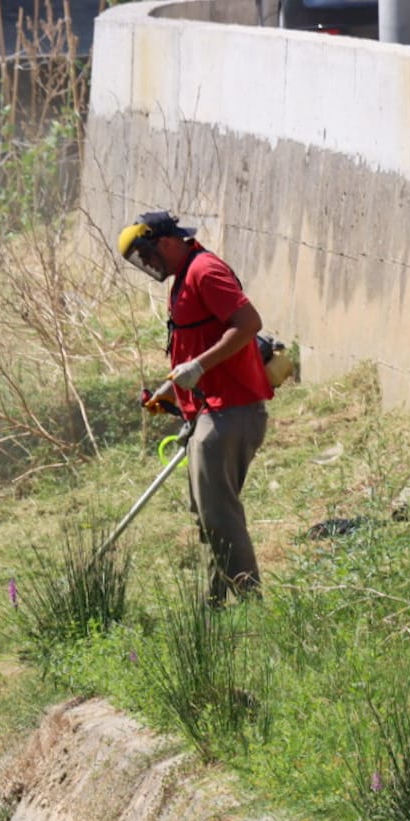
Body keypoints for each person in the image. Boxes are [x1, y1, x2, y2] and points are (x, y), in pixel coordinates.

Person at [116, 211, 275, 602]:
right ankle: (217, 603)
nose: (148, 265)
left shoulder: (204, 270)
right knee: (209, 516)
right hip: (207, 410)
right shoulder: (182, 277)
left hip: (230, 411)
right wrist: (172, 389)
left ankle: (252, 604)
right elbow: (196, 343)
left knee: (219, 516)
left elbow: (248, 323)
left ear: (168, 242)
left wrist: (199, 366)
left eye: (148, 254)